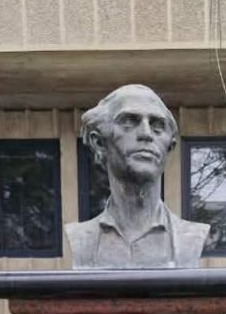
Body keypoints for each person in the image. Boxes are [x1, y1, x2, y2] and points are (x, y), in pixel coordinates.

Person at [65, 84, 209, 269]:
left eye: (157, 126)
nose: (146, 134)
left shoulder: (191, 238)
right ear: (99, 143)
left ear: (169, 147)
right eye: (129, 122)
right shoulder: (81, 239)